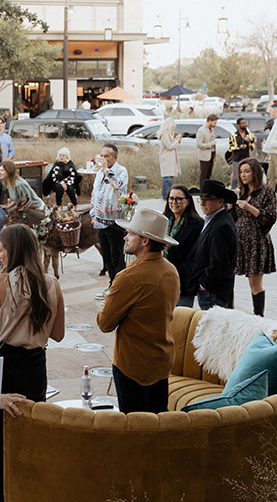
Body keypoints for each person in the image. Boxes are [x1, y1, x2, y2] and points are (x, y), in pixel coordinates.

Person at [0, 223, 65, 502]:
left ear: (14, 250)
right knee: (31, 429)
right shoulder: (52, 284)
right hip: (35, 366)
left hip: (5, 365)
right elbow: (58, 334)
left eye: (2, 249)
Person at [96, 208, 180, 414]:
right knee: (158, 427)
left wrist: (110, 300)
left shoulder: (129, 277)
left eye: (131, 233)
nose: (125, 237)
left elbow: (104, 324)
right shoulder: (171, 271)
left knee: (135, 431)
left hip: (132, 366)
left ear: (145, 241)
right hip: (161, 361)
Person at [233, 158, 277, 317]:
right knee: (231, 278)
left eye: (247, 171)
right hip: (240, 241)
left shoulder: (267, 192)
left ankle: (259, 316)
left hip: (257, 242)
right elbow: (234, 218)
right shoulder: (241, 192)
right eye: (241, 172)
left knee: (254, 282)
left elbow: (270, 218)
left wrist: (249, 207)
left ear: (255, 173)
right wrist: (231, 206)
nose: (243, 175)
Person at [188, 180, 239, 310]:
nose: (202, 203)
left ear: (221, 202)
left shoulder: (222, 226)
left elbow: (219, 263)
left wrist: (204, 284)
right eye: (201, 199)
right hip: (212, 291)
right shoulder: (214, 219)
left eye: (208, 199)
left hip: (214, 293)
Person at [89, 143, 129, 297]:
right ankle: (112, 285)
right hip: (100, 220)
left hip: (115, 221)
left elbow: (117, 185)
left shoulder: (121, 171)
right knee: (106, 256)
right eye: (102, 156)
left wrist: (107, 170)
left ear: (115, 157)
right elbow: (95, 194)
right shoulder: (99, 172)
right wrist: (93, 214)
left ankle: (122, 288)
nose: (103, 159)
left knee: (117, 255)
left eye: (107, 156)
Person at [162, 185, 203, 308]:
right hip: (163, 278)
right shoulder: (163, 221)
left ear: (188, 201)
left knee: (180, 320)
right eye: (171, 198)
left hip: (184, 282)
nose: (174, 202)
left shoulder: (197, 225)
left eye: (178, 199)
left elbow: (196, 256)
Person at [157, 118, 181, 200]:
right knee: (167, 178)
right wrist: (177, 141)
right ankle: (165, 196)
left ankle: (167, 195)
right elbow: (170, 146)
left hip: (170, 159)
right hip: (166, 160)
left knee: (169, 178)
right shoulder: (165, 135)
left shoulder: (169, 134)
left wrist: (177, 141)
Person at [227, 118, 255, 189]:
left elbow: (253, 147)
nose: (245, 125)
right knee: (236, 178)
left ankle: (245, 192)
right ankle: (233, 192)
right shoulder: (234, 135)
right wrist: (239, 147)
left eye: (245, 123)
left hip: (246, 159)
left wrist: (249, 142)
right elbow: (230, 147)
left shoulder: (250, 135)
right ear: (238, 125)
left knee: (246, 177)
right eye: (243, 123)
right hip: (236, 158)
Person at [195, 114, 218, 188]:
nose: (215, 124)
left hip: (211, 155)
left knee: (209, 174)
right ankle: (202, 191)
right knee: (204, 175)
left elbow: (214, 143)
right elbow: (199, 145)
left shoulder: (212, 130)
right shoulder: (201, 130)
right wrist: (209, 144)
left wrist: (214, 155)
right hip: (204, 156)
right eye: (214, 122)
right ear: (210, 121)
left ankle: (207, 190)